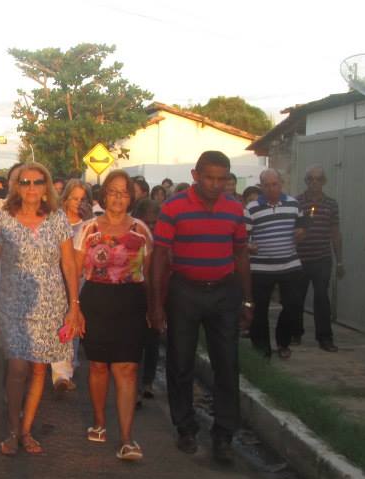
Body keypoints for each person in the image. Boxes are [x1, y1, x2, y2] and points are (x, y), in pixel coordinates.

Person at [150, 151, 251, 463]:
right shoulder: (174, 207)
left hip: (224, 293)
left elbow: (241, 256)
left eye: (222, 179)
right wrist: (156, 303)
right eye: (209, 177)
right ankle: (186, 428)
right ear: (196, 175)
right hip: (185, 292)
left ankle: (223, 436)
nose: (215, 184)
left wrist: (247, 300)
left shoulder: (235, 210)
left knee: (227, 365)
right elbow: (159, 257)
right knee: (181, 363)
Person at [0, 162, 83, 455]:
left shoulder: (57, 219)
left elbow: (68, 264)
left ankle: (26, 431)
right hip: (12, 301)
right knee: (17, 367)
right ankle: (13, 430)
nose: (31, 188)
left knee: (39, 368)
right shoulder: (3, 219)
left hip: (50, 301)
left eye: (37, 182)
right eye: (24, 182)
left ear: (46, 186)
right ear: (16, 186)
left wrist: (74, 306)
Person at [75, 170, 153, 461]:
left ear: (131, 198)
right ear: (103, 195)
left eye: (124, 192)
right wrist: (74, 307)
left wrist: (154, 307)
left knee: (127, 368)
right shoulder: (88, 229)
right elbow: (74, 269)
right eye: (113, 191)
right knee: (97, 366)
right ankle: (99, 421)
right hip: (96, 299)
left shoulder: (141, 230)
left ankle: (127, 438)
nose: (118, 197)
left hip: (131, 301)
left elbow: (151, 272)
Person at [246, 168, 305, 359]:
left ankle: (283, 342)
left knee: (293, 306)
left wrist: (301, 233)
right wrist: (249, 246)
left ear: (281, 184)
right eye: (267, 185)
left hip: (289, 265)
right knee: (260, 309)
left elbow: (302, 226)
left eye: (275, 184)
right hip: (261, 267)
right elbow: (242, 237)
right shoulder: (251, 208)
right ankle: (262, 348)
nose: (271, 189)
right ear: (261, 186)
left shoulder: (294, 204)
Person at [291, 165, 344, 352]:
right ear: (306, 181)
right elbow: (290, 231)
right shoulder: (296, 202)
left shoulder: (331, 204)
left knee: (322, 298)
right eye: (311, 179)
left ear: (324, 182)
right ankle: (295, 333)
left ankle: (325, 338)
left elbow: (335, 232)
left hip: (322, 258)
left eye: (318, 179)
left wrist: (340, 260)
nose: (314, 182)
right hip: (300, 258)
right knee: (297, 298)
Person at [50, 178, 88, 391]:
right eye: (74, 198)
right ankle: (57, 369)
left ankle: (65, 372)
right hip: (56, 279)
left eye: (82, 199)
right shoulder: (55, 220)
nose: (78, 203)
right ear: (65, 199)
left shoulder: (90, 224)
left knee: (73, 320)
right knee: (56, 322)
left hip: (79, 280)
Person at [132, 196, 161, 403]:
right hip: (134, 296)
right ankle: (133, 388)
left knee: (152, 341)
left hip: (156, 297)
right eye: (146, 222)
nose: (150, 226)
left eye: (154, 222)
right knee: (134, 344)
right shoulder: (130, 238)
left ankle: (147, 382)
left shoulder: (163, 241)